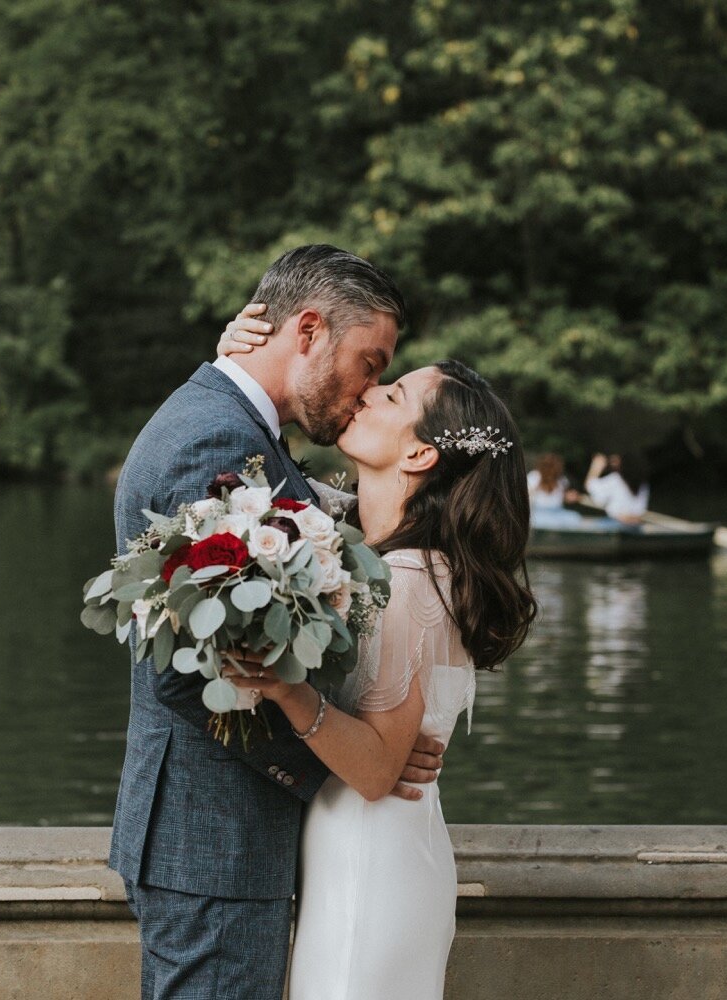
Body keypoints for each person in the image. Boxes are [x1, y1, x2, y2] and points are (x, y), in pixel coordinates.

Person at [111, 246, 449, 1000]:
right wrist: (352, 761)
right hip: (214, 843)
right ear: (306, 330)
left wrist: (369, 745)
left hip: (216, 842)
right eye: (370, 362)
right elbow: (185, 673)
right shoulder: (217, 439)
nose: (368, 390)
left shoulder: (232, 424)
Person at [219, 317, 537, 999]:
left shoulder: (414, 579)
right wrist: (237, 358)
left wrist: (284, 689)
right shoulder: (380, 559)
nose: (367, 394)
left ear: (421, 456)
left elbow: (375, 770)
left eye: (391, 397)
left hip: (370, 857)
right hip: (366, 849)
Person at [584, 451, 649, 524]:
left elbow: (590, 486)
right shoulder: (643, 484)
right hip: (635, 525)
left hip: (616, 523)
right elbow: (639, 511)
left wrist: (596, 466)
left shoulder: (616, 480)